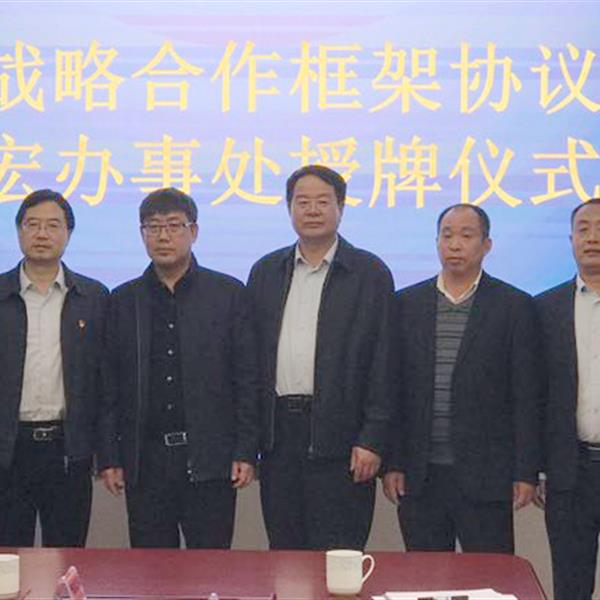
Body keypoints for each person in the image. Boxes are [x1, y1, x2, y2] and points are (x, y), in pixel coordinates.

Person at [98, 187, 260, 549]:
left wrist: (246, 449)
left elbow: (247, 379)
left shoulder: (228, 294)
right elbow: (109, 386)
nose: (163, 236)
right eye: (153, 227)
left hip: (211, 457)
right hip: (146, 461)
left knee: (211, 564)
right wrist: (109, 456)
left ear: (194, 231)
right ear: (142, 234)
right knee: (151, 568)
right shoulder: (123, 300)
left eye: (174, 225)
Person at [247, 164, 394, 550]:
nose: (312, 210)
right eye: (302, 202)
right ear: (289, 209)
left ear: (340, 208)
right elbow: (250, 362)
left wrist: (372, 438)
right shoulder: (266, 272)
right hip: (280, 439)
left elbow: (384, 362)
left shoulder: (369, 273)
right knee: (286, 554)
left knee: (339, 556)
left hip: (343, 440)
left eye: (323, 202)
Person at [383, 203, 542, 553]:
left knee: (488, 575)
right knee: (424, 576)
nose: (455, 244)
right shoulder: (406, 303)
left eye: (467, 235)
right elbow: (393, 390)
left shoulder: (514, 306)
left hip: (487, 476)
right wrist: (393, 462)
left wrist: (525, 471)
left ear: (487, 245)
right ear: (437, 242)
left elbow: (526, 396)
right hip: (420, 475)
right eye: (447, 235)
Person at [0, 189, 108, 547]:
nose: (42, 234)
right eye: (32, 225)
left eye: (52, 225)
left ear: (68, 233)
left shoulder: (93, 298)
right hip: (8, 450)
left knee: (67, 554)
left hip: (67, 450)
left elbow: (106, 382)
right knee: (7, 558)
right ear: (19, 231)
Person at [535, 198, 600, 600]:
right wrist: (539, 468)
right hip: (569, 470)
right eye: (583, 229)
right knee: (571, 584)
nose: (592, 237)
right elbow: (535, 397)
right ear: (571, 239)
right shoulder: (545, 308)